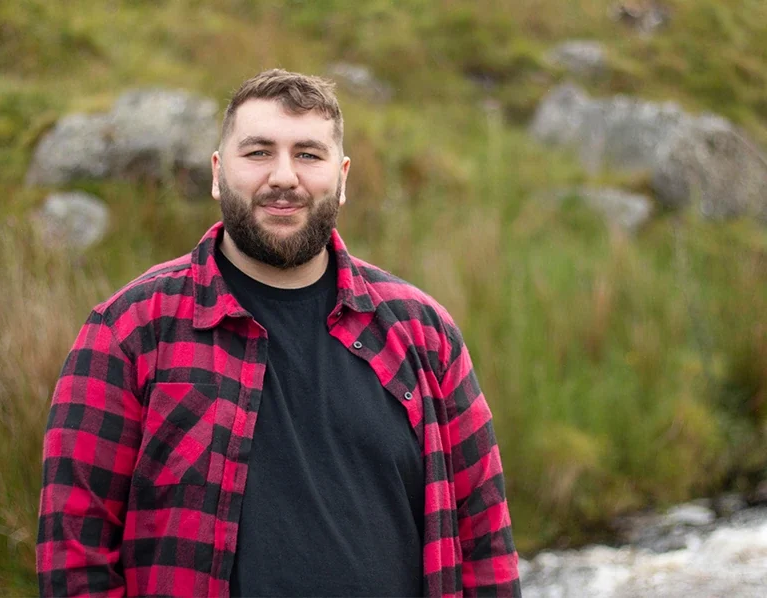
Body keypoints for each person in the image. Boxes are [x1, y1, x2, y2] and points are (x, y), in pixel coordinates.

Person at [37, 69, 520, 597]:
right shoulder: (129, 332)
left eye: (309, 155)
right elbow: (74, 560)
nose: (284, 177)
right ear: (219, 173)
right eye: (259, 152)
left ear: (342, 177)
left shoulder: (424, 333)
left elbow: (486, 545)